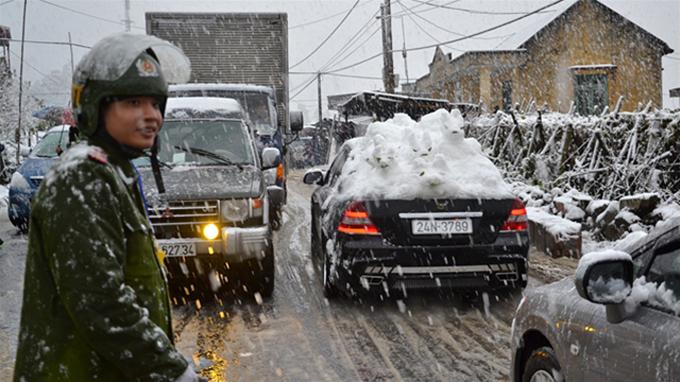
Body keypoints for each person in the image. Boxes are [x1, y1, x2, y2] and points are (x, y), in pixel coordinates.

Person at [13, 33, 204, 382]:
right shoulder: (81, 177)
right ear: (96, 107)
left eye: (155, 103)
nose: (151, 116)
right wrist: (172, 371)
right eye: (133, 103)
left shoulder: (114, 171)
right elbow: (100, 300)